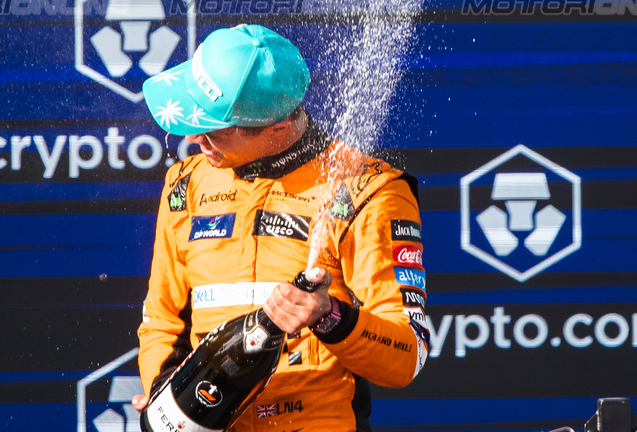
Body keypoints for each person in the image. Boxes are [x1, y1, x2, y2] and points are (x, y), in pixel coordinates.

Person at [131, 24, 430, 432]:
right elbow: (164, 321)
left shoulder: (369, 192)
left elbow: (407, 355)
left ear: (277, 129)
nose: (196, 138)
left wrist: (330, 316)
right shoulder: (186, 183)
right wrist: (170, 393)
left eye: (214, 130)